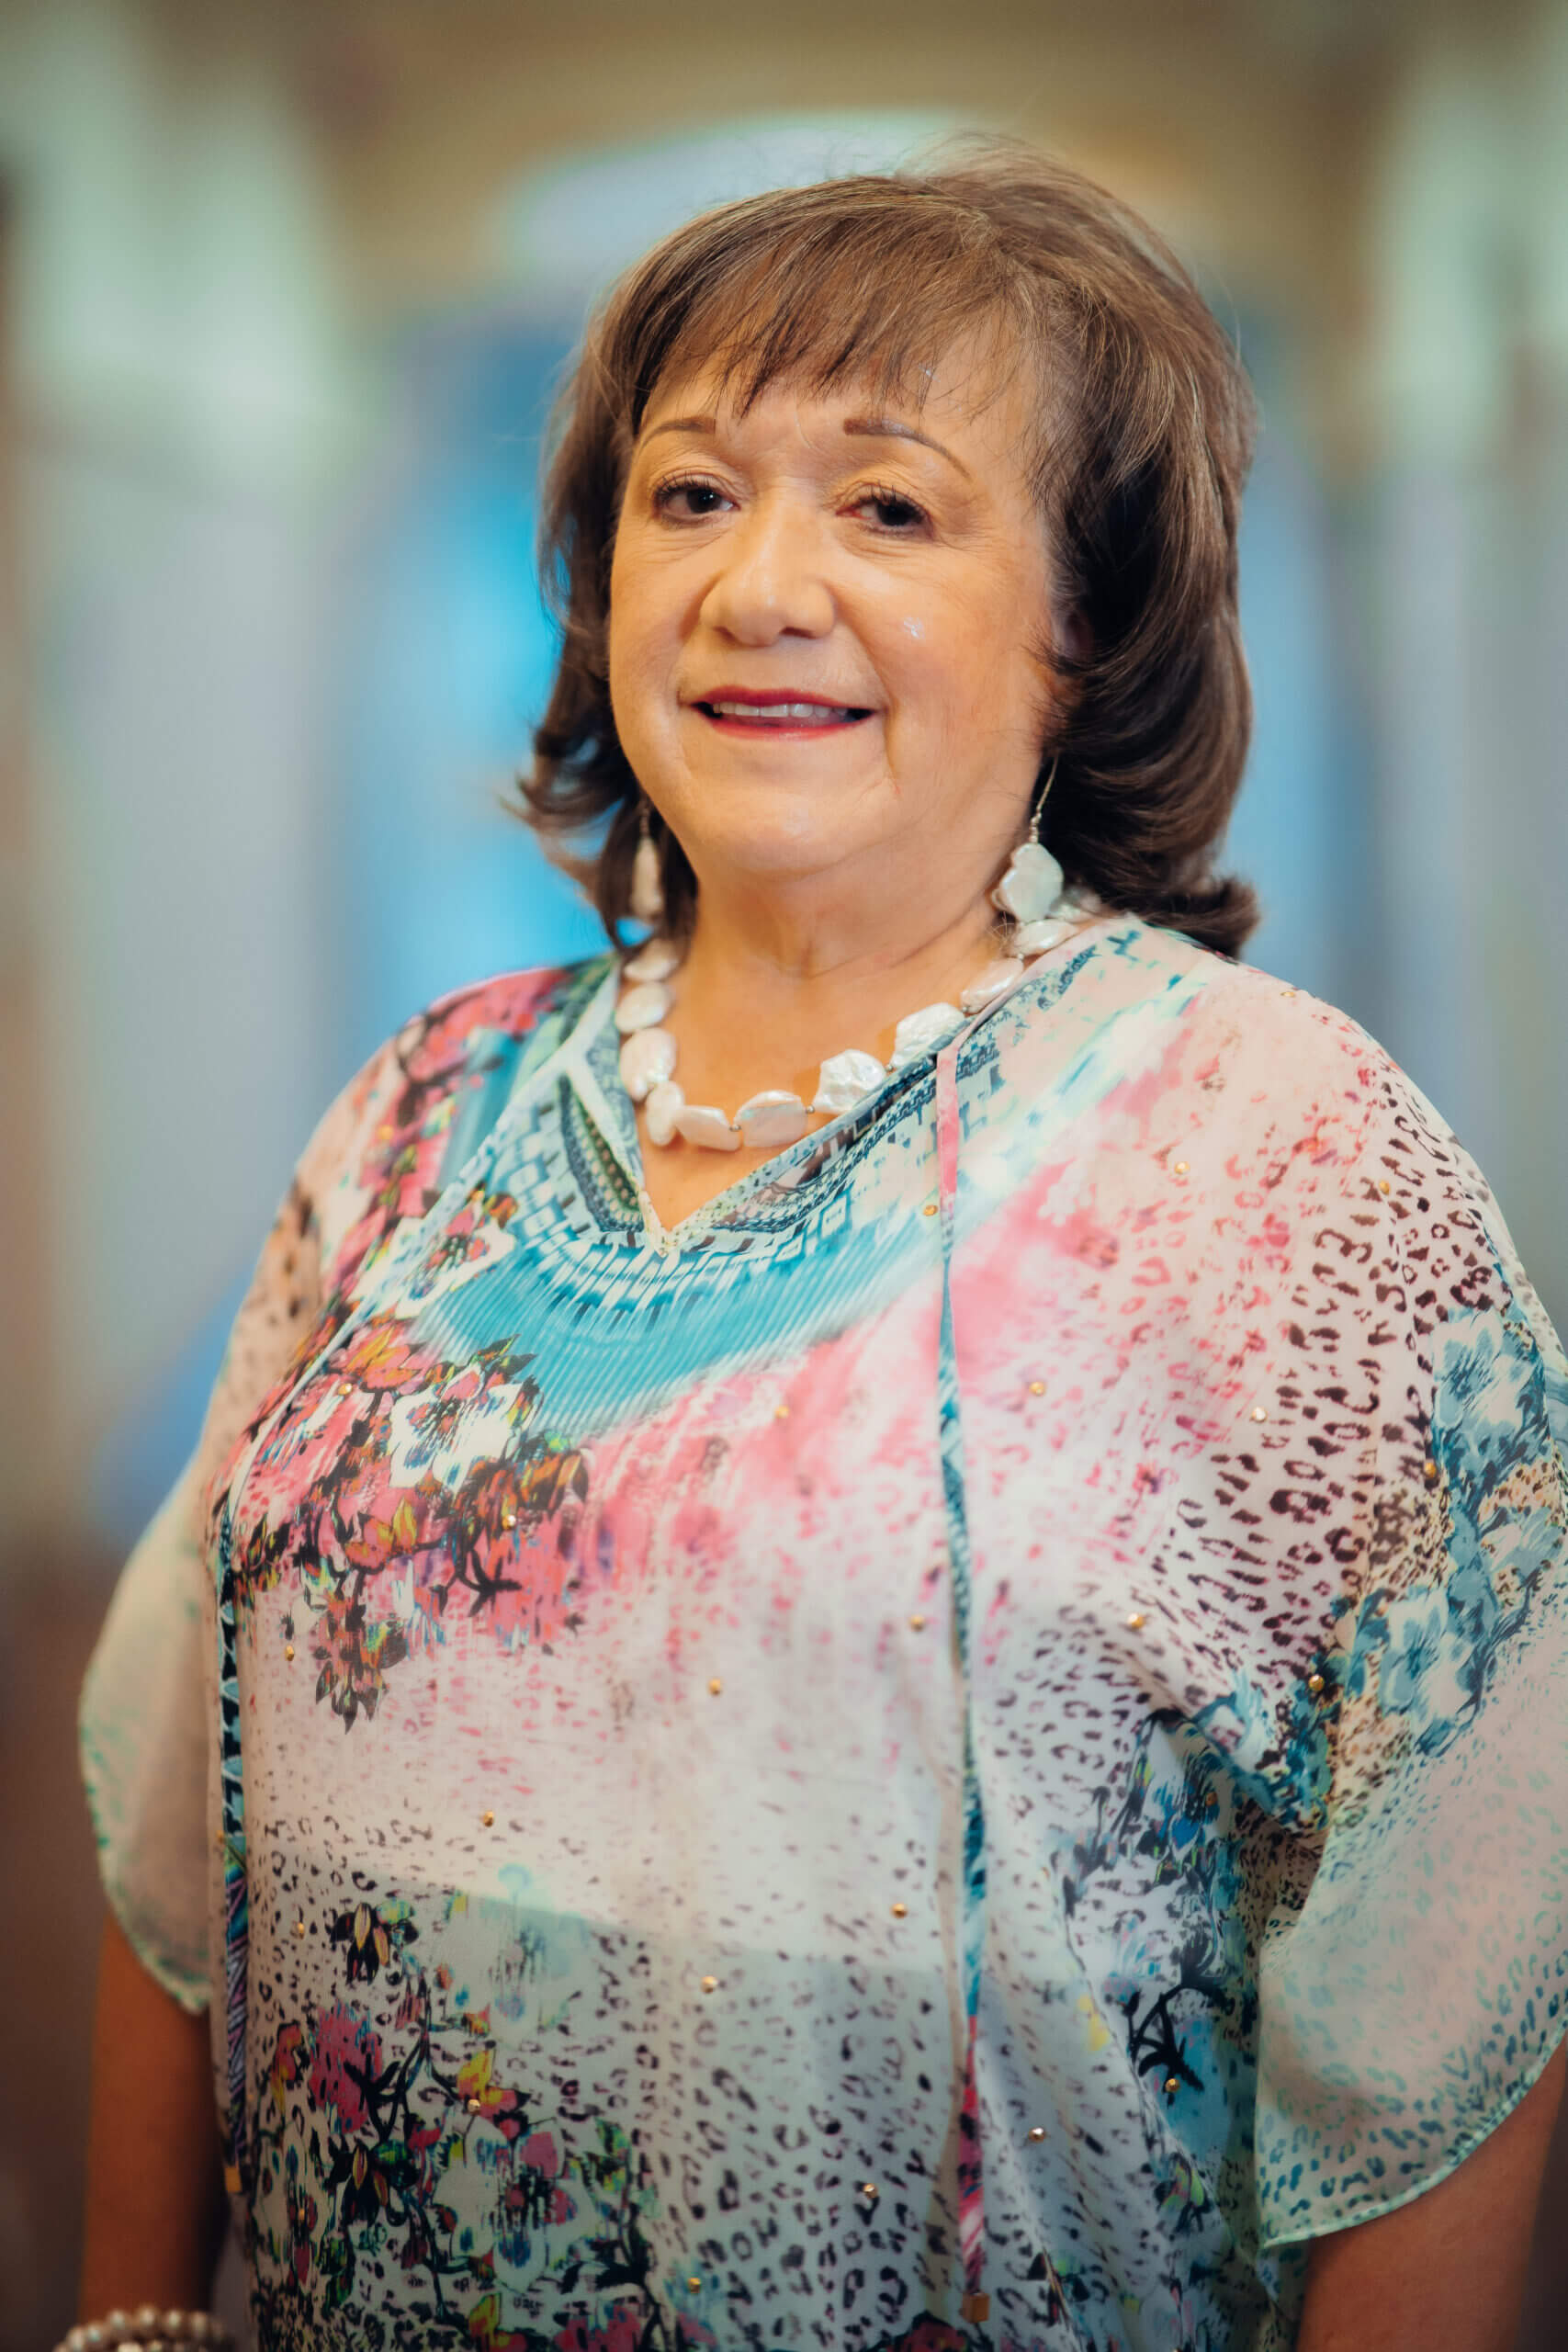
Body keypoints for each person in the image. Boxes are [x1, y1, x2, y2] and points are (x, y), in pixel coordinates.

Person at [75, 144, 1567, 2352]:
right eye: (688, 498)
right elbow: (179, 1776)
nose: (759, 583)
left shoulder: (1275, 1151)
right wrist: (125, 2315)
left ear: (1085, 623)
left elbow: (1451, 1952)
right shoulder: (422, 1109)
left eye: (886, 507)